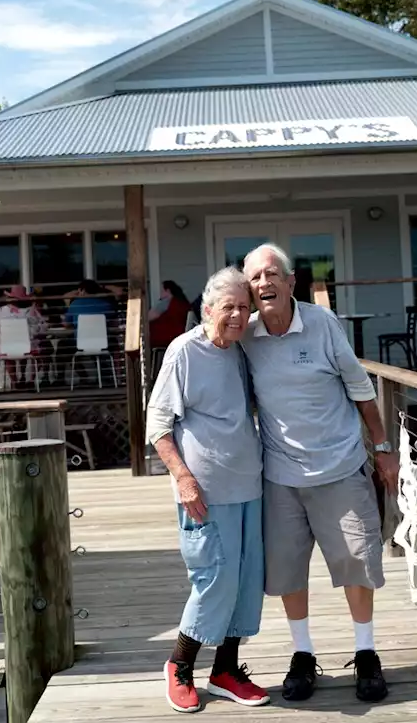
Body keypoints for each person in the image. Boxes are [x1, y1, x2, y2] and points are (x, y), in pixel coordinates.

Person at [238, 243, 398, 704]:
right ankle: (303, 654)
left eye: (272, 275)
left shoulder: (323, 324)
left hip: (341, 466)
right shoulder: (245, 335)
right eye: (254, 278)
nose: (264, 283)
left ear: (291, 282)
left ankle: (365, 653)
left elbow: (360, 389)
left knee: (357, 561)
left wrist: (383, 447)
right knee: (288, 570)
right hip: (280, 475)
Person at [146, 267, 269, 713]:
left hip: (249, 487)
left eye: (244, 307)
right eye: (229, 307)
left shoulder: (240, 350)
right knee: (215, 580)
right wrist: (182, 478)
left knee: (247, 581)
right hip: (204, 491)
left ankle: (226, 669)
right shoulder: (184, 351)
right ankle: (179, 665)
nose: (238, 315)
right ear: (207, 309)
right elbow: (157, 425)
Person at [0, 285, 45, 390]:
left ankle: (14, 381)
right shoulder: (32, 311)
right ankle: (30, 381)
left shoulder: (3, 311)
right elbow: (42, 327)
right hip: (28, 348)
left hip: (8, 348)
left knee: (9, 358)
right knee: (40, 356)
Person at [149, 281, 194, 350]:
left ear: (168, 291)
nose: (160, 293)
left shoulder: (166, 303)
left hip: (165, 336)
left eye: (162, 291)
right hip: (180, 336)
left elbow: (149, 317)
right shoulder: (183, 302)